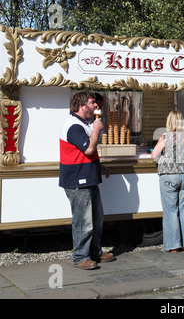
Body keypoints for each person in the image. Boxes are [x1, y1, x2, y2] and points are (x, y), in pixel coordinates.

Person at [59, 91, 113, 270]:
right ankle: (81, 257)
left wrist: (98, 166)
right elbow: (89, 148)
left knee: (96, 218)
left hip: (88, 177)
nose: (95, 106)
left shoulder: (82, 123)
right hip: (77, 180)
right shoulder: (74, 125)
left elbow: (88, 153)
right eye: (91, 103)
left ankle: (95, 252)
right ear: (81, 106)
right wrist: (97, 130)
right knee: (83, 221)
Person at [151, 110, 184, 252]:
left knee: (171, 211)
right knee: (183, 210)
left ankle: (173, 245)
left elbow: (153, 155)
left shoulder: (165, 136)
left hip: (169, 177)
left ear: (169, 122)